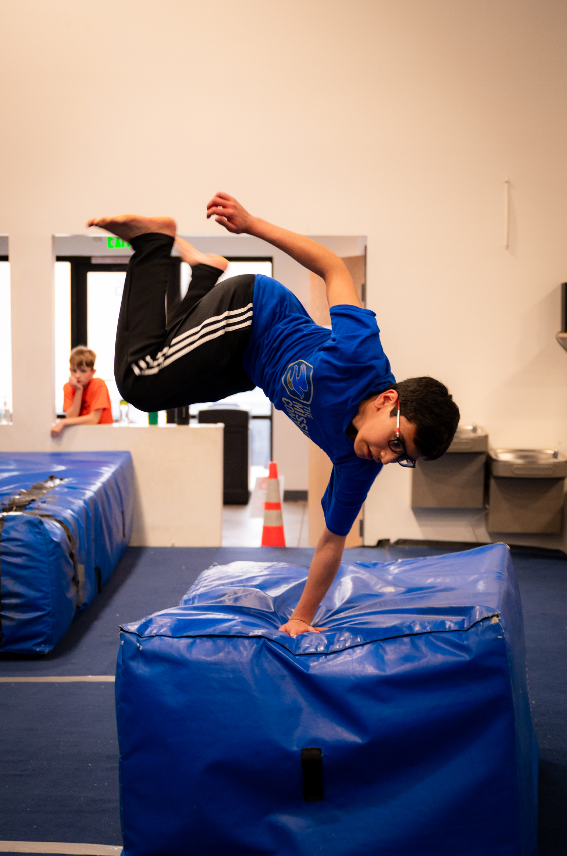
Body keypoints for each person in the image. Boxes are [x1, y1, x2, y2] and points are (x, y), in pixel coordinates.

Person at [87, 193, 459, 636]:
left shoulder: (358, 463)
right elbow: (333, 267)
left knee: (167, 373)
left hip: (248, 368)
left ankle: (205, 272)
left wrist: (300, 617)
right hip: (252, 312)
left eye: (402, 458)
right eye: (396, 442)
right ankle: (152, 243)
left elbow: (331, 540)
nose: (385, 457)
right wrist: (252, 224)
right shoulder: (362, 355)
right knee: (140, 382)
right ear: (388, 401)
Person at [51, 346, 113, 437]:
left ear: (93, 372)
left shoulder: (99, 384)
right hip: (81, 436)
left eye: (83, 371)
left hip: (102, 435)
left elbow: (94, 419)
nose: (77, 375)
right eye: (74, 370)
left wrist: (64, 422)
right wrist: (78, 390)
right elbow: (71, 417)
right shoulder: (69, 387)